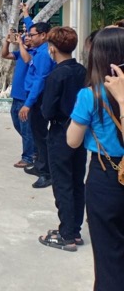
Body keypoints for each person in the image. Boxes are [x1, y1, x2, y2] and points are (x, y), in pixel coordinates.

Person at [67, 27, 124, 289]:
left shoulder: (90, 95)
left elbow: (72, 140)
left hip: (106, 176)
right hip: (107, 176)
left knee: (108, 253)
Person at [38, 27, 86, 252]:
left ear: (52, 49)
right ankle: (74, 230)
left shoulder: (56, 75)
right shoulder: (82, 71)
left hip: (60, 132)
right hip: (80, 132)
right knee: (77, 181)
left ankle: (66, 235)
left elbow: (47, 110)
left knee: (62, 184)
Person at [19, 21, 55, 189]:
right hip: (35, 97)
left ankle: (47, 173)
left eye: (32, 35)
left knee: (41, 136)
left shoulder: (44, 54)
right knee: (36, 133)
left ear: (43, 35)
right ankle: (40, 165)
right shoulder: (39, 51)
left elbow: (40, 81)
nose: (29, 38)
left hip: (39, 100)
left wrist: (28, 104)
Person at [1, 30, 35, 168]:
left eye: (29, 36)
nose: (26, 38)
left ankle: (28, 157)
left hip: (26, 98)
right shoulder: (20, 53)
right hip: (16, 96)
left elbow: (27, 59)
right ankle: (34, 149)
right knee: (17, 124)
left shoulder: (34, 53)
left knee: (26, 129)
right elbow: (4, 55)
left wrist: (20, 43)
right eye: (25, 35)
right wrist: (7, 42)